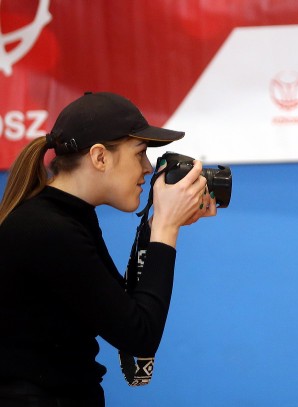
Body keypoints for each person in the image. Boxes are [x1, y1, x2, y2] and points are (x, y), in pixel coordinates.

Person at [0, 91, 217, 406]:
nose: (147, 168)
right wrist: (166, 228)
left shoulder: (64, 216)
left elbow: (122, 310)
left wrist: (158, 228)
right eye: (139, 153)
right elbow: (139, 336)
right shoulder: (48, 229)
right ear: (100, 157)